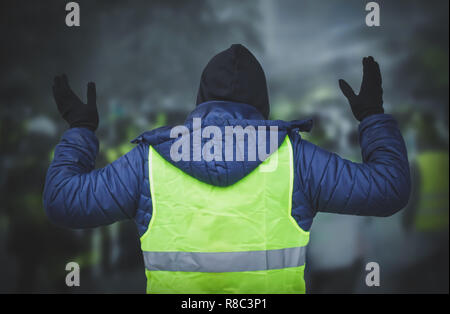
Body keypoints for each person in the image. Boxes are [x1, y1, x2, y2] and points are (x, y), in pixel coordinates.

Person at [43, 44, 410, 294]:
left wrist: (80, 129)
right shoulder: (297, 159)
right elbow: (389, 189)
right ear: (261, 103)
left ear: (201, 100)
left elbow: (62, 202)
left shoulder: (148, 161)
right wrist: (372, 117)